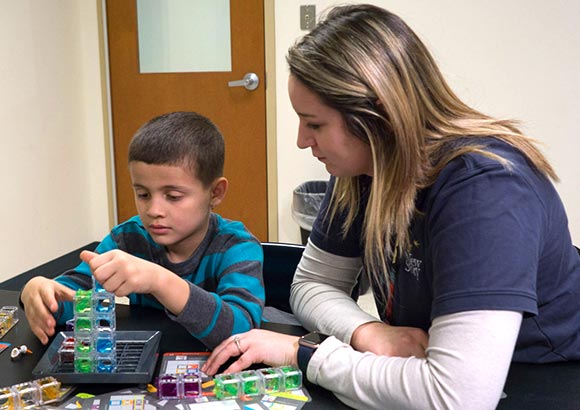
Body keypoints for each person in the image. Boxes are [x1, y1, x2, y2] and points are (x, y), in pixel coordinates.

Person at [202, 4, 580, 409]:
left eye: (314, 124)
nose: (301, 140)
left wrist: (302, 353)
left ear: (376, 116)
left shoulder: (486, 191)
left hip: (540, 375)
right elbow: (311, 284)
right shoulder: (364, 170)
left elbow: (457, 398)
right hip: (436, 367)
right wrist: (368, 332)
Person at [21, 111, 265, 349]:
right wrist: (40, 293)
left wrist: (159, 280)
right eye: (143, 194)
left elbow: (241, 331)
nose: (154, 209)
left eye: (173, 196)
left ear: (215, 192)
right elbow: (72, 296)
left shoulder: (237, 246)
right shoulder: (127, 239)